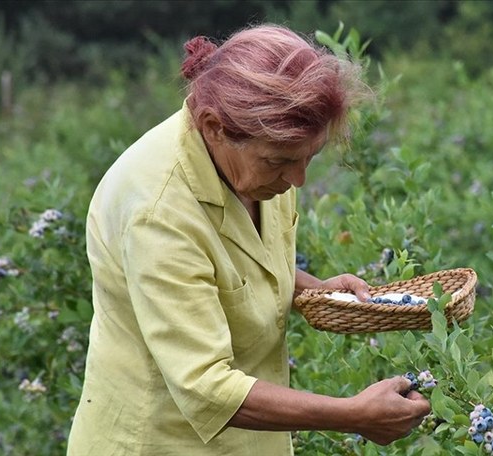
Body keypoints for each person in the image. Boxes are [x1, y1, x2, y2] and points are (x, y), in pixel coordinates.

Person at [67, 24, 431, 455]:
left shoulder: (257, 162)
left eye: (308, 158)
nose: (297, 179)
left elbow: (232, 265)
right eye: (280, 162)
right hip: (163, 442)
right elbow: (205, 384)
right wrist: (353, 414)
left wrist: (310, 288)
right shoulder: (158, 211)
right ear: (214, 126)